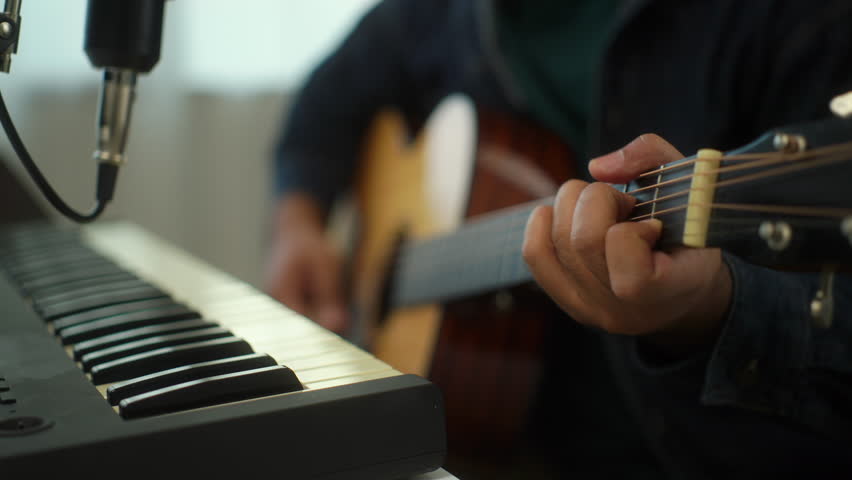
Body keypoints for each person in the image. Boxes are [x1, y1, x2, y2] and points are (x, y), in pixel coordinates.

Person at [265, 0, 852, 478]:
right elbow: (322, 108)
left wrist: (706, 307)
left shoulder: (794, 19)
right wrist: (298, 225)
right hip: (517, 433)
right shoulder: (436, 14)